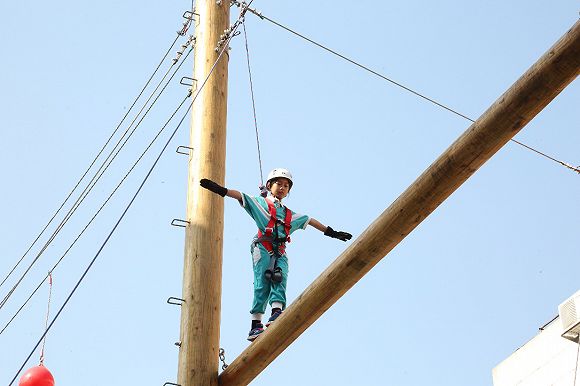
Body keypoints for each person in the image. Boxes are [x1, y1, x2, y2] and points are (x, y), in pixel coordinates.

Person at [200, 168, 352, 341]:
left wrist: (331, 232)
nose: (282, 188)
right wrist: (221, 190)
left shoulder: (289, 215)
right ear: (269, 185)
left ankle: (276, 311)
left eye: (286, 186)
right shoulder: (260, 204)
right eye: (279, 184)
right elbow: (241, 196)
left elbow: (309, 220)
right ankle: (255, 324)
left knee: (280, 277)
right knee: (262, 282)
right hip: (262, 246)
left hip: (280, 250)